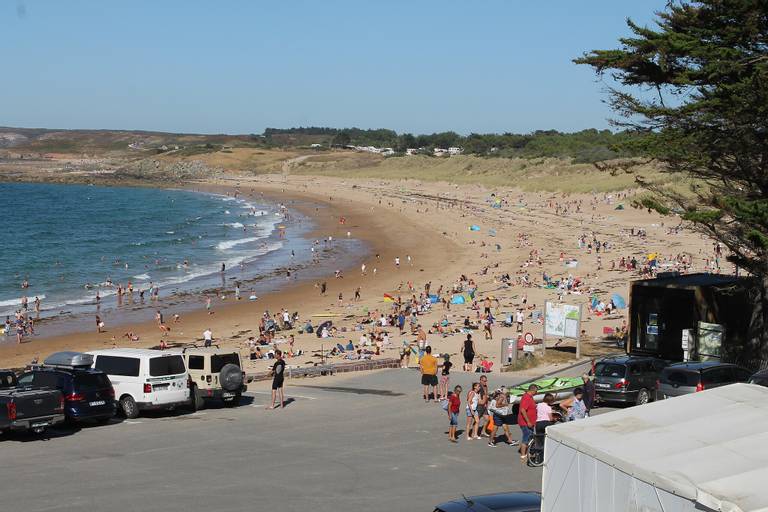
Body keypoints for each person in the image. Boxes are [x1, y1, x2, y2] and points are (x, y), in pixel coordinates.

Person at [517, 384, 538, 461]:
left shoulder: (530, 397)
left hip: (530, 422)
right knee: (526, 437)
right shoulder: (526, 397)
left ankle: (527, 451)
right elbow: (523, 410)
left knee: (530, 436)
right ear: (532, 390)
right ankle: (523, 455)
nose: (536, 392)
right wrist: (528, 421)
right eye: (536, 391)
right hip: (525, 422)